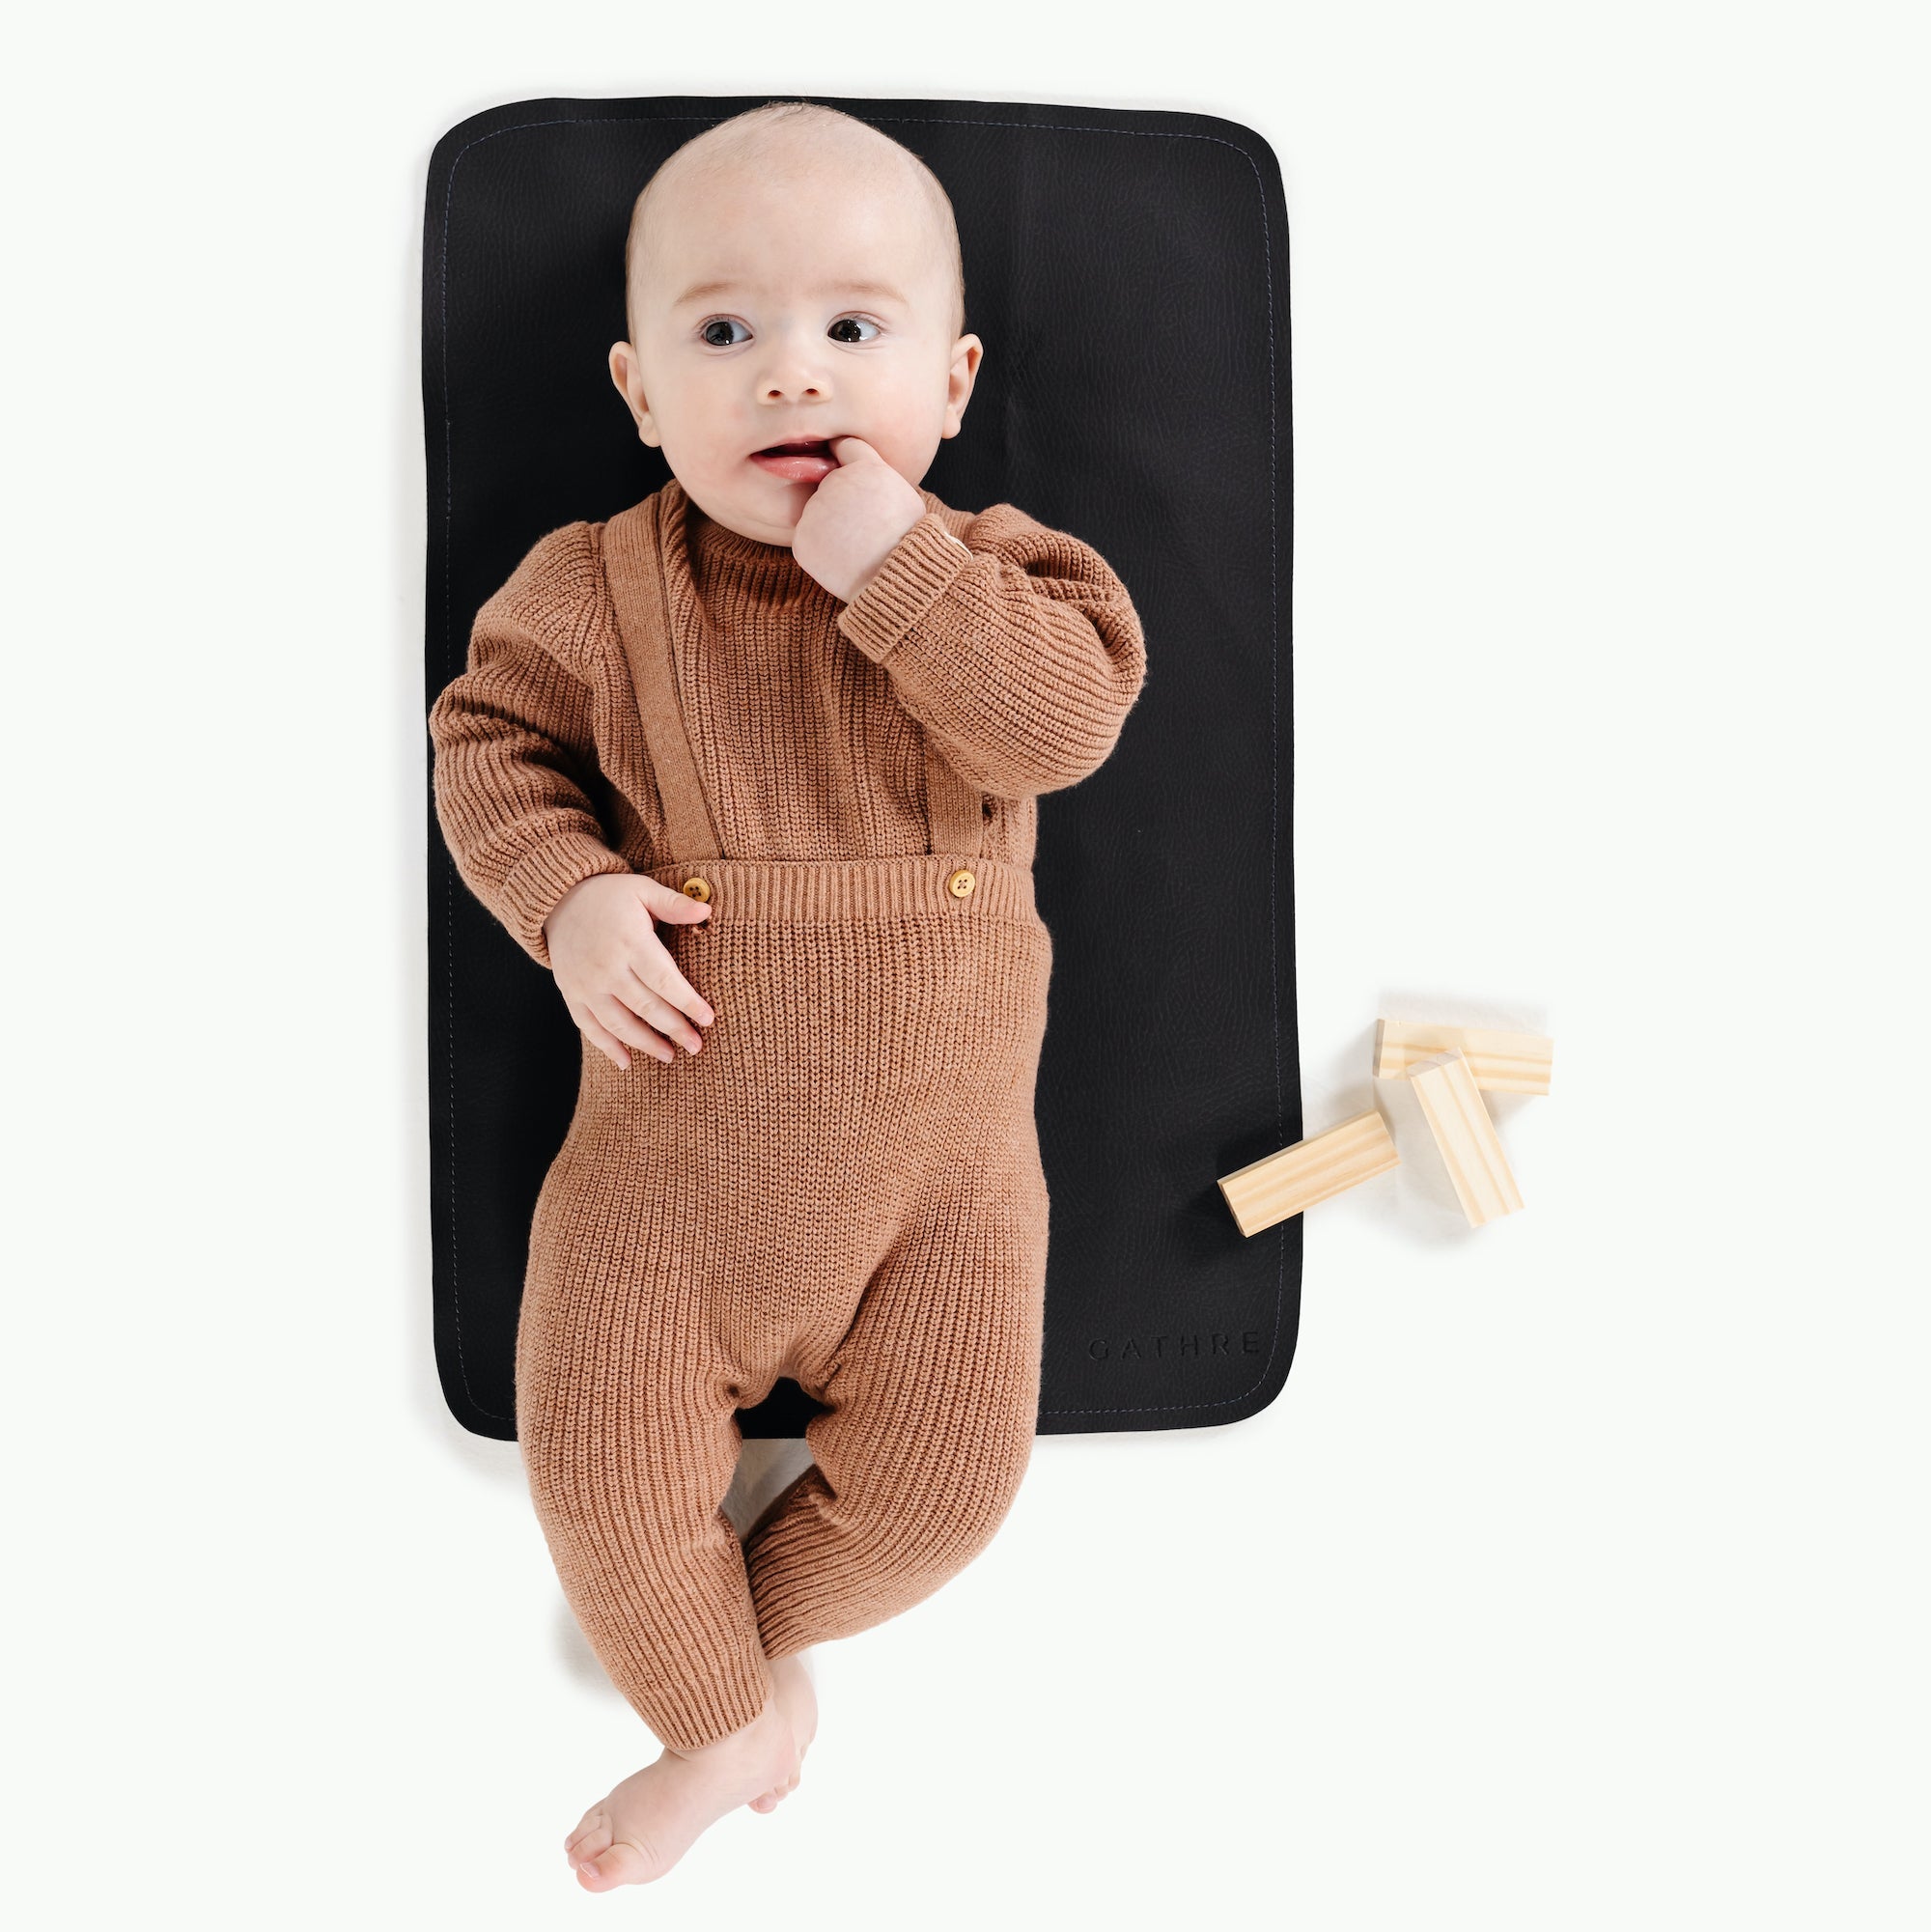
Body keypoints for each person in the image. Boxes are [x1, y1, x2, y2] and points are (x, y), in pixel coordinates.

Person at [428, 98, 1147, 1890]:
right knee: (594, 1468)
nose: (790, 374)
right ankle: (724, 1716)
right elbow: (487, 745)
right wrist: (569, 896)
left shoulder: (1006, 569)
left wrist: (899, 568)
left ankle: (743, 1660)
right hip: (665, 1181)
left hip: (941, 1197)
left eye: (853, 327)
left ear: (953, 383)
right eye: (726, 332)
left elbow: (1064, 727)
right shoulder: (595, 586)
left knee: (951, 1488)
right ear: (639, 394)